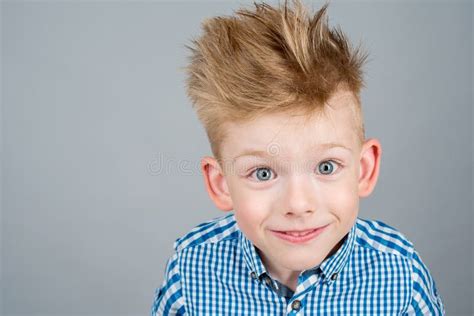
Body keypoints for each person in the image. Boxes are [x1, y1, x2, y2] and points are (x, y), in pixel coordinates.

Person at [151, 0, 445, 314]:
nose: (298, 204)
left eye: (326, 166)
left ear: (364, 169)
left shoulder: (401, 277)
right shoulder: (191, 272)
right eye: (263, 173)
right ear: (221, 183)